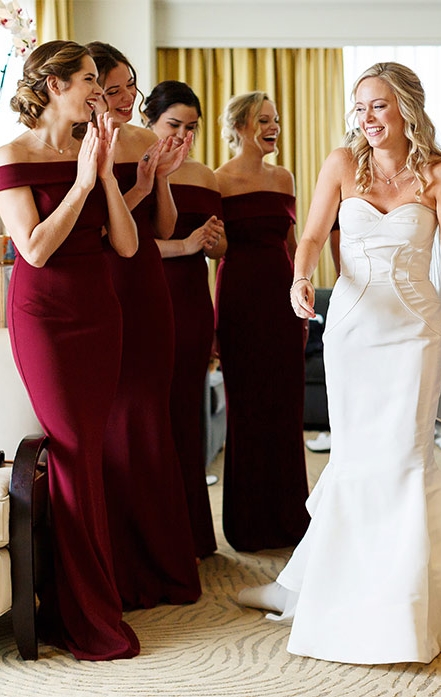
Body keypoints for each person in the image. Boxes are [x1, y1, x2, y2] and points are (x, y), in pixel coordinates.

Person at [238, 62, 441, 664]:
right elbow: (311, 237)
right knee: (355, 461)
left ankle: (437, 602)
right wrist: (300, 277)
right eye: (360, 108)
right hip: (353, 334)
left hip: (415, 336)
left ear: (406, 108)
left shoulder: (440, 174)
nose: (367, 119)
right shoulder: (340, 164)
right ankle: (330, 588)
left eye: (378, 106)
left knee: (407, 462)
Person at [0, 40, 140, 659]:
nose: (100, 94)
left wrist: (103, 174)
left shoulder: (94, 147)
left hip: (98, 311)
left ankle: (82, 601)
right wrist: (82, 182)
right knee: (74, 452)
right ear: (55, 85)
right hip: (45, 316)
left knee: (90, 451)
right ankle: (84, 611)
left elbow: (127, 246)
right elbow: (32, 250)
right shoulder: (12, 155)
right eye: (90, 81)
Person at [87, 42, 201, 609]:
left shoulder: (142, 140)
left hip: (147, 281)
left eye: (131, 85)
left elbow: (165, 225)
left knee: (150, 417)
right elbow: (100, 233)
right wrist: (136, 184)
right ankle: (119, 562)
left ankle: (163, 560)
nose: (127, 97)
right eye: (114, 89)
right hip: (104, 281)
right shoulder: (79, 144)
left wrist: (163, 178)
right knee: (114, 419)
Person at [214, 91, 310, 552]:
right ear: (238, 127)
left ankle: (290, 517)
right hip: (239, 299)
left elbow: (292, 243)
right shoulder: (218, 180)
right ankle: (249, 524)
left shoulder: (284, 177)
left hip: (281, 299)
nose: (273, 127)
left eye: (275, 120)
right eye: (263, 120)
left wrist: (302, 294)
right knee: (247, 409)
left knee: (285, 408)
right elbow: (216, 251)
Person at [144, 79, 226, 559]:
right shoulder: (134, 170)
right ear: (149, 121)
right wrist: (185, 245)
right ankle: (158, 539)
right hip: (148, 298)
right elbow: (123, 245)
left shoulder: (205, 175)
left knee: (186, 416)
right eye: (173, 124)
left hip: (193, 302)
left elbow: (220, 247)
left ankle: (193, 534)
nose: (182, 136)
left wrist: (214, 243)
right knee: (152, 417)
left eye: (191, 127)